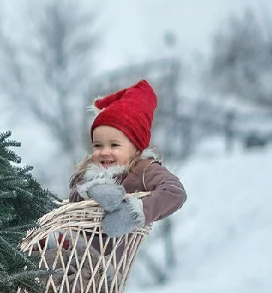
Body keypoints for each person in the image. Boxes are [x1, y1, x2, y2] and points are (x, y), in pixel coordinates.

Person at [67, 79, 187, 235]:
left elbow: (175, 193)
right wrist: (93, 190)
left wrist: (133, 213)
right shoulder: (91, 172)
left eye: (114, 145)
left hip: (107, 256)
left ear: (136, 148)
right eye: (97, 145)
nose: (104, 152)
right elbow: (72, 198)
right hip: (74, 245)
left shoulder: (143, 169)